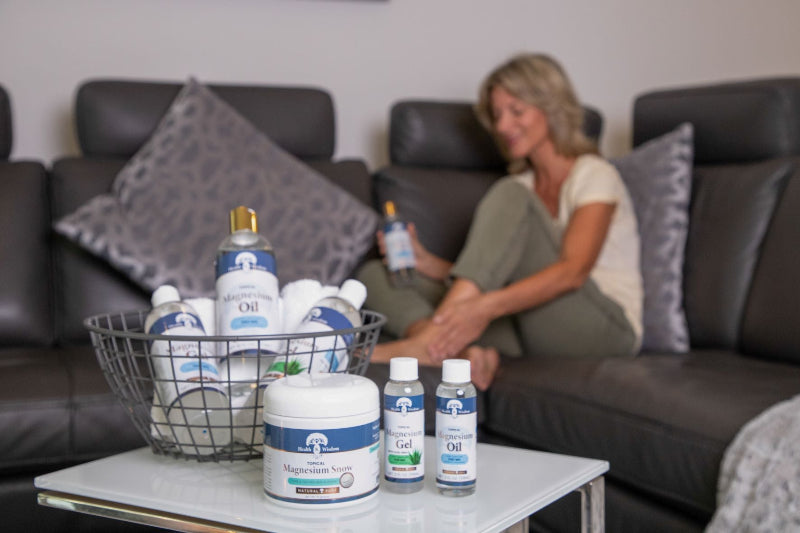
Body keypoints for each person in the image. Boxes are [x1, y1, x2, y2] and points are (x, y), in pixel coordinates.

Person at [357, 53, 643, 390]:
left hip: (604, 328)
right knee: (376, 275)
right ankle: (455, 352)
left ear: (551, 107)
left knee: (511, 195)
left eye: (516, 111)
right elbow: (489, 275)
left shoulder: (594, 174)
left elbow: (572, 272)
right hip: (532, 327)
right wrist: (428, 263)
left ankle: (429, 344)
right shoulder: (524, 184)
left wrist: (483, 309)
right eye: (497, 115)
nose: (503, 126)